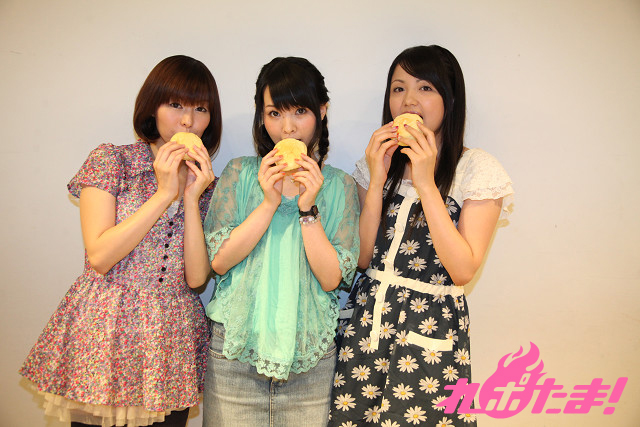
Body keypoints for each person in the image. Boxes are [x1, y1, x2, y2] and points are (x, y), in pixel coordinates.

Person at [19, 55, 222, 427]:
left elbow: (196, 279)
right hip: (108, 325)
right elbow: (99, 256)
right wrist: (164, 194)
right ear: (152, 106)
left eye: (200, 108)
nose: (187, 120)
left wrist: (192, 197)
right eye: (175, 104)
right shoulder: (112, 160)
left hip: (170, 335)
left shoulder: (206, 181)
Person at [329, 45, 514, 426]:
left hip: (431, 333)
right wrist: (377, 178)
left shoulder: (476, 169)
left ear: (450, 99)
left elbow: (463, 269)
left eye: (425, 88)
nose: (409, 100)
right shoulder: (375, 166)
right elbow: (362, 259)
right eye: (398, 88)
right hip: (366, 325)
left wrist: (427, 183)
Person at [202, 56, 359, 427]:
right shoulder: (239, 173)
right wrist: (269, 202)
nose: (287, 128)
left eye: (300, 111)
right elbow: (219, 262)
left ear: (322, 111)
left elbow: (331, 279)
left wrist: (307, 208)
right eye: (274, 113)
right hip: (235, 356)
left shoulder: (340, 185)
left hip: (310, 362)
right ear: (262, 117)